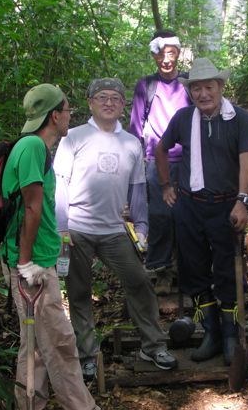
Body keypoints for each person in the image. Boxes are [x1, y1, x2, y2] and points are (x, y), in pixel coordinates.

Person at [0, 83, 133, 410]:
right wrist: (27, 263)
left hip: (36, 259)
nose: (70, 116)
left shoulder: (36, 147)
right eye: (67, 110)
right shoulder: (31, 147)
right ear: (54, 115)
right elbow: (31, 207)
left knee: (36, 343)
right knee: (60, 340)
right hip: (30, 264)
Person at [54, 78, 177, 383]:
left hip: (114, 231)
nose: (109, 103)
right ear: (90, 102)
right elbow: (60, 186)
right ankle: (87, 355)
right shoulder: (73, 137)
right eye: (102, 97)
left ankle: (153, 345)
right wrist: (61, 230)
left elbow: (137, 190)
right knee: (79, 292)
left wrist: (143, 226)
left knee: (139, 283)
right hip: (77, 229)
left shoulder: (131, 143)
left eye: (115, 99)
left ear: (123, 105)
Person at [155, 58, 248, 365]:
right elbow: (161, 149)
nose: (203, 94)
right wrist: (166, 186)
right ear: (190, 91)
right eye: (196, 88)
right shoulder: (184, 118)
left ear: (220, 87)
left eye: (208, 87)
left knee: (228, 271)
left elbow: (246, 161)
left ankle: (230, 332)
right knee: (193, 272)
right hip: (189, 205)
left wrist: (243, 200)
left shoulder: (239, 118)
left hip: (225, 205)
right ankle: (209, 330)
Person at [129, 29, 191, 295]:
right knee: (161, 216)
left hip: (189, 158)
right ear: (154, 56)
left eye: (171, 53)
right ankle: (161, 269)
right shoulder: (146, 85)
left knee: (188, 214)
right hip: (156, 159)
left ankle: (188, 268)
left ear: (178, 53)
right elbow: (135, 125)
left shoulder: (189, 83)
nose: (166, 59)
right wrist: (134, 162)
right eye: (160, 53)